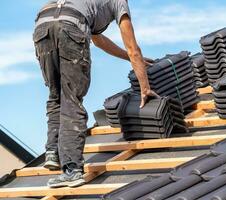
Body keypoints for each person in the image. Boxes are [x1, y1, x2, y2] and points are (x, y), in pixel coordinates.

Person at [33, 0, 158, 188]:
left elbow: (98, 41)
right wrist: (145, 87)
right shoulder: (119, 2)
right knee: (72, 98)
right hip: (71, 25)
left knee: (56, 93)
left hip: (43, 24)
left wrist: (126, 57)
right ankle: (72, 169)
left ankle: (53, 151)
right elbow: (133, 49)